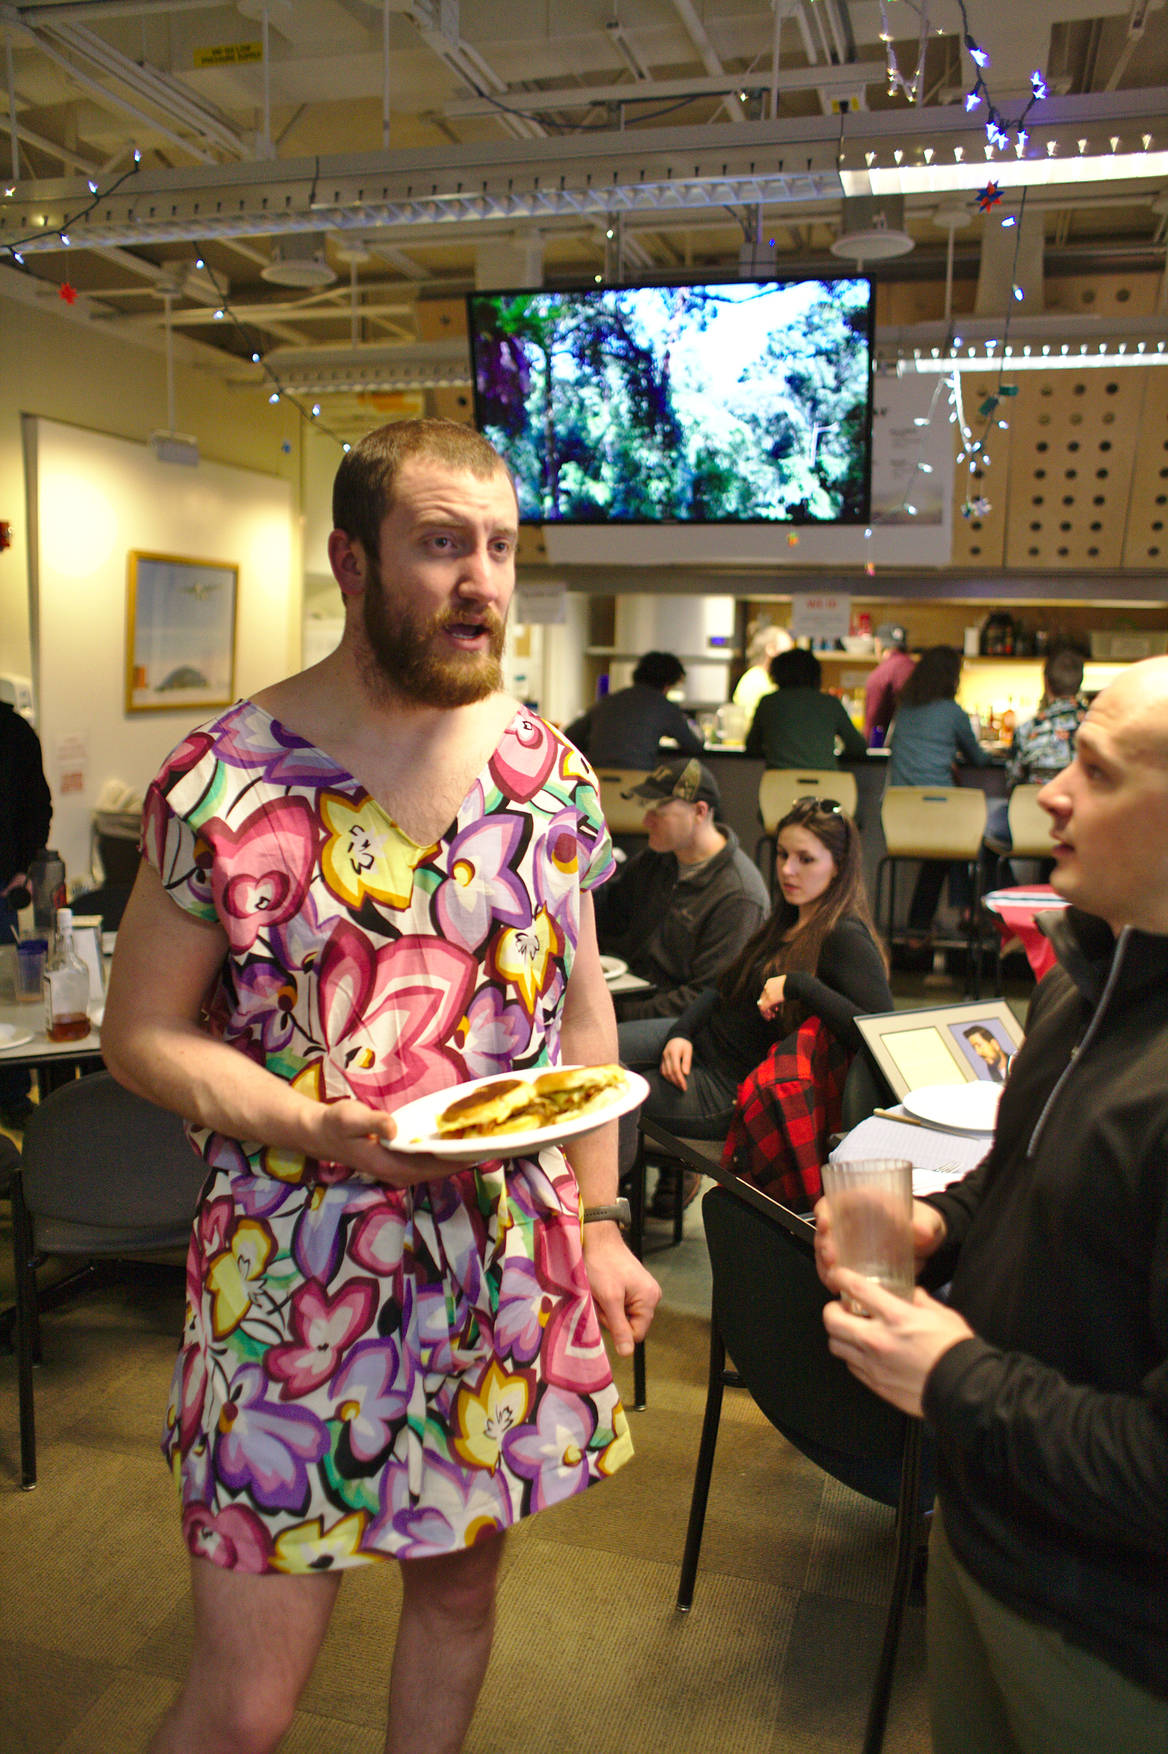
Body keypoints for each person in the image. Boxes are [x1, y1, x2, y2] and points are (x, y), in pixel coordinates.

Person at [101, 417, 661, 1754]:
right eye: (441, 545)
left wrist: (598, 1219)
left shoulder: (549, 779)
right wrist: (310, 1121)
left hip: (499, 1262)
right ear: (352, 562)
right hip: (290, 1271)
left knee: (460, 1598)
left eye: (502, 548)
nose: (483, 580)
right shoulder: (227, 783)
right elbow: (139, 1034)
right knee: (246, 1704)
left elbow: (580, 1015)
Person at [816, 655, 1168, 1754]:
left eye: (1096, 772)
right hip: (984, 1532)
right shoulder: (1081, 978)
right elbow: (1021, 1168)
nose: (1050, 790)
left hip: (1109, 1627)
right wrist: (941, 1223)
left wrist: (951, 1375)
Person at [621, 798, 890, 1215]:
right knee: (595, 1051)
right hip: (700, 1043)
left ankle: (603, 1215)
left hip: (727, 1088)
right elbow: (720, 986)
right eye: (783, 855)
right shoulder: (788, 917)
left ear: (837, 866)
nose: (787, 870)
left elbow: (878, 1032)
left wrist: (800, 985)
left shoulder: (843, 936)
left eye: (806, 859)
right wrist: (681, 1032)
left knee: (607, 1096)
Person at [593, 757, 770, 1025]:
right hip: (632, 996)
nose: (645, 821)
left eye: (658, 812)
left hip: (687, 1026)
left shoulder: (739, 896)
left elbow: (706, 997)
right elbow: (610, 920)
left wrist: (616, 1015)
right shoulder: (658, 859)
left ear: (699, 812)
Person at [886, 644, 992, 945]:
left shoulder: (904, 709)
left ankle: (920, 928)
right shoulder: (953, 712)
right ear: (952, 678)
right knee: (968, 840)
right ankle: (967, 912)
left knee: (951, 845)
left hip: (900, 815)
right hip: (939, 814)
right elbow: (979, 759)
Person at [0, 697, 53, 1127]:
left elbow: (35, 805)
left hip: (1, 886)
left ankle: (13, 1098)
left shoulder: (12, 730)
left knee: (5, 1003)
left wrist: (23, 867)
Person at [985, 643, 1088, 847]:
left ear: (1046, 683)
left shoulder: (1028, 729)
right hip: (1080, 823)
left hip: (1030, 821)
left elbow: (1012, 782)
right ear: (1080, 683)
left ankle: (1008, 880)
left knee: (985, 826)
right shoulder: (1096, 727)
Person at [564, 650, 703, 770]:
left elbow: (569, 736)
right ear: (667, 685)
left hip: (596, 782)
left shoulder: (608, 701)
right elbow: (693, 746)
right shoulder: (665, 707)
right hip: (637, 783)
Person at [745, 646, 868, 770]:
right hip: (826, 785)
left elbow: (751, 746)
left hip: (780, 784)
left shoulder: (769, 703)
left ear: (776, 674)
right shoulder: (830, 704)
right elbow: (858, 746)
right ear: (816, 675)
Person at [731, 621, 793, 730]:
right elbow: (750, 724)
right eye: (787, 652)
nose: (792, 659)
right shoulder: (754, 680)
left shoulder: (769, 679)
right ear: (771, 650)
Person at [864, 621, 915, 746]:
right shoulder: (918, 670)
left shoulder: (880, 674)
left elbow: (873, 721)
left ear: (878, 644)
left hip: (895, 748)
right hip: (922, 747)